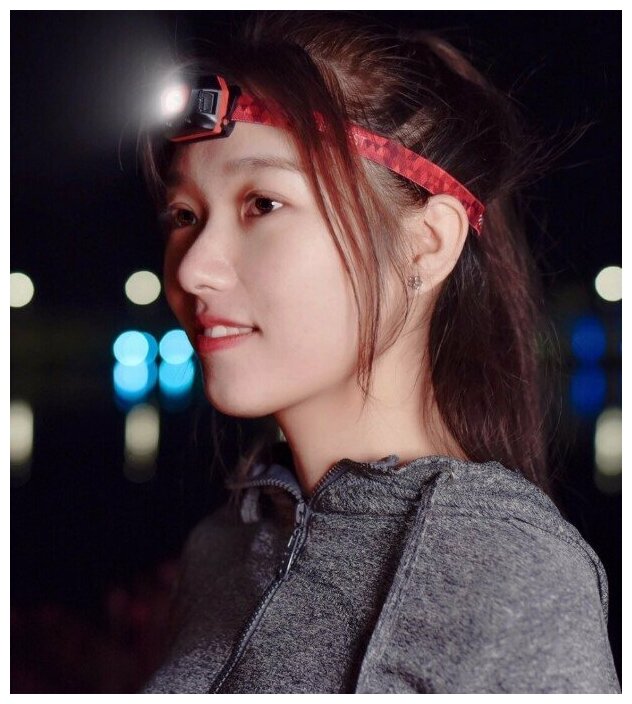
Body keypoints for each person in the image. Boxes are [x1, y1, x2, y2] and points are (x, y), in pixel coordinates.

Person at [137, 11, 620, 694]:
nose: (192, 270)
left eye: (262, 204)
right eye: (185, 216)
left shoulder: (511, 577)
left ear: (427, 244)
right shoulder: (221, 547)